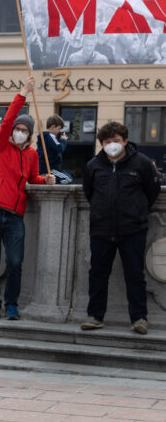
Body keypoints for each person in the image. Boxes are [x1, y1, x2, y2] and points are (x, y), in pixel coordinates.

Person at [0, 77, 56, 321]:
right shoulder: (1, 145)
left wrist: (46, 180)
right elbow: (9, 118)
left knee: (14, 262)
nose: (20, 132)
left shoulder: (32, 154)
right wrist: (22, 94)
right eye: (18, 129)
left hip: (14, 216)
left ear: (30, 134)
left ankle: (11, 304)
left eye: (25, 131)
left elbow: (32, 178)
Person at [81, 120, 160, 335]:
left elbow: (152, 191)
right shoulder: (93, 166)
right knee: (97, 273)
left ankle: (139, 318)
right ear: (102, 144)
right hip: (101, 228)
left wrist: (136, 211)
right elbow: (89, 193)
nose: (112, 145)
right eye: (107, 142)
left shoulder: (142, 163)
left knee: (135, 274)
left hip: (132, 228)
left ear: (125, 141)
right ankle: (95, 315)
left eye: (116, 141)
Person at [37, 115, 71, 183]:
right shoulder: (50, 136)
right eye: (59, 129)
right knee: (67, 179)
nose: (59, 131)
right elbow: (60, 148)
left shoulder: (44, 138)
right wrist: (63, 140)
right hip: (50, 168)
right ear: (53, 127)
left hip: (46, 168)